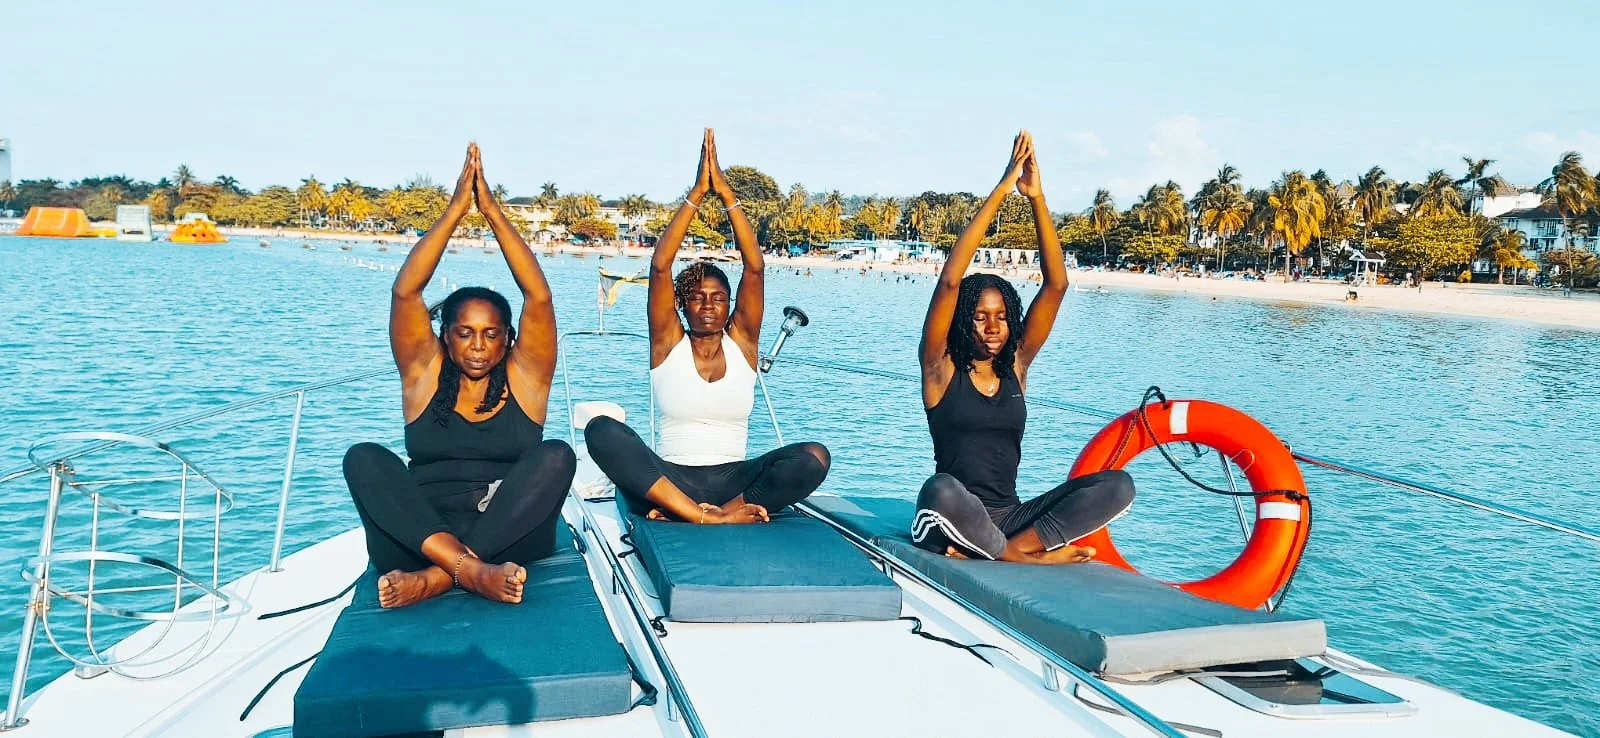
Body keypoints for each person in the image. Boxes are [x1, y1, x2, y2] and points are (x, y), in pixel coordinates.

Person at [343, 144, 573, 608]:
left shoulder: (525, 378)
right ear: (444, 336)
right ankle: (468, 571)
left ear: (509, 339)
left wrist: (490, 210)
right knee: (363, 457)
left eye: (491, 335)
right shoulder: (423, 373)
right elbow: (406, 290)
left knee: (558, 455)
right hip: (418, 534)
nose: (478, 346)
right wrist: (454, 211)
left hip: (510, 532)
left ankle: (438, 580)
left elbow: (539, 297)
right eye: (464, 333)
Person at [585, 129, 830, 524]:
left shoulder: (743, 342)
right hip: (671, 477)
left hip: (735, 482)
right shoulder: (668, 342)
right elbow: (660, 266)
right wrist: (697, 193)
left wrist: (726, 194)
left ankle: (724, 510)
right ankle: (697, 514)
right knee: (601, 430)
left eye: (718, 298)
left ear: (730, 304)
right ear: (682, 304)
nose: (708, 306)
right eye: (697, 297)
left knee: (814, 456)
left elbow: (755, 266)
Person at [912, 131, 1135, 564]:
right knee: (940, 489)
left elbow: (1056, 284)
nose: (993, 327)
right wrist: (1001, 188)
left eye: (1001, 316)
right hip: (950, 517)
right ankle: (1020, 555)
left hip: (1010, 518)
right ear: (963, 320)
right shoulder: (939, 369)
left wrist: (1035, 196)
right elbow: (949, 282)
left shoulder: (1017, 364)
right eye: (979, 316)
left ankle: (1010, 550)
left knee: (1117, 485)